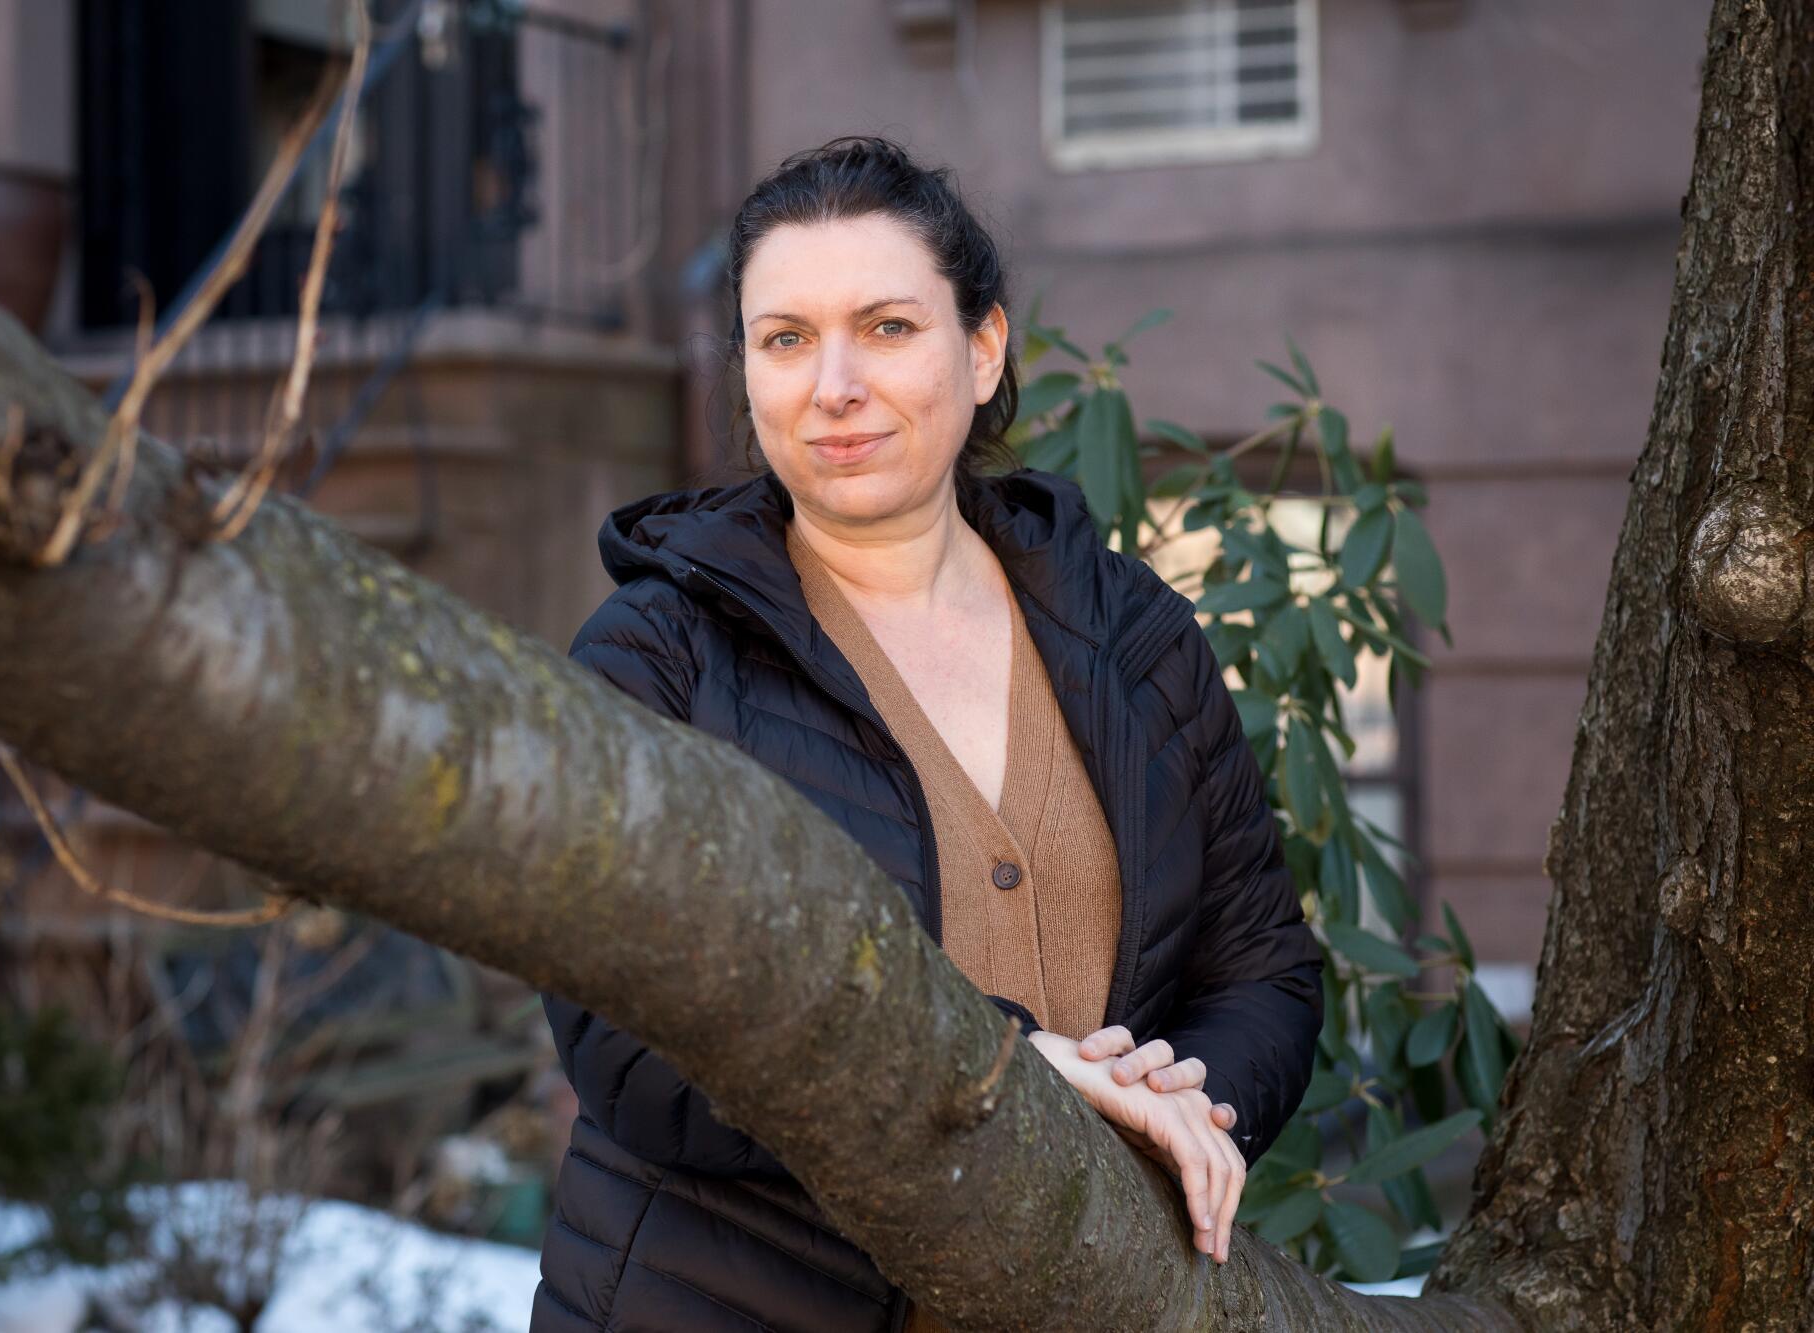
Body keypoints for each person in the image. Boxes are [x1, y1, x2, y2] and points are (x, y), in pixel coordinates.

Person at [530, 135, 1323, 1333]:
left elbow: (1259, 967)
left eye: (887, 327)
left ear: (984, 343)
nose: (831, 384)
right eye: (784, 338)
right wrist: (1002, 1076)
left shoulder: (1132, 634)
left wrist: (1181, 1102)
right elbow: (631, 1050)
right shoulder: (657, 659)